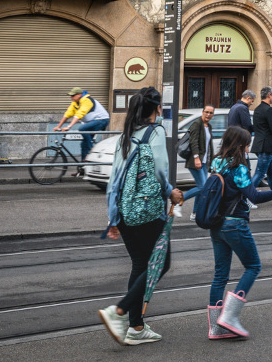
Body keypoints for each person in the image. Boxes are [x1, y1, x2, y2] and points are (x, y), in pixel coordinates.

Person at [99, 87, 183, 346]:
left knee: (140, 264)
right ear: (157, 108)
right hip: (146, 211)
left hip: (125, 211)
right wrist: (172, 192)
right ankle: (120, 312)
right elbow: (160, 172)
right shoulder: (155, 131)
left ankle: (136, 327)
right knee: (161, 263)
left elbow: (114, 179)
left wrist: (113, 217)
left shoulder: (126, 134)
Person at [206, 125, 272, 339]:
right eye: (247, 145)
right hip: (235, 223)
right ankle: (229, 317)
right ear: (240, 145)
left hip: (216, 223)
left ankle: (216, 328)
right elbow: (254, 196)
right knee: (253, 266)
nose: (248, 148)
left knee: (220, 275)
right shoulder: (239, 167)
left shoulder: (216, 162)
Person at [55, 87, 111, 171]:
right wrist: (58, 126)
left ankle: (91, 150)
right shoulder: (75, 103)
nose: (71, 97)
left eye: (73, 96)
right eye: (70, 96)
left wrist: (69, 127)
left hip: (102, 120)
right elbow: (67, 114)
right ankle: (82, 169)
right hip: (91, 122)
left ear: (79, 95)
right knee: (83, 144)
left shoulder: (87, 100)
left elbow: (79, 114)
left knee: (82, 128)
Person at [182, 105, 216, 206]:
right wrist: (196, 158)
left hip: (204, 162)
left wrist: (212, 161)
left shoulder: (208, 126)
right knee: (202, 187)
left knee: (201, 187)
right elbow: (194, 142)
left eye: (211, 113)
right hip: (196, 161)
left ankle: (195, 213)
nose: (208, 115)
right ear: (202, 112)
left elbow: (209, 146)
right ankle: (179, 199)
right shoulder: (196, 124)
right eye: (206, 112)